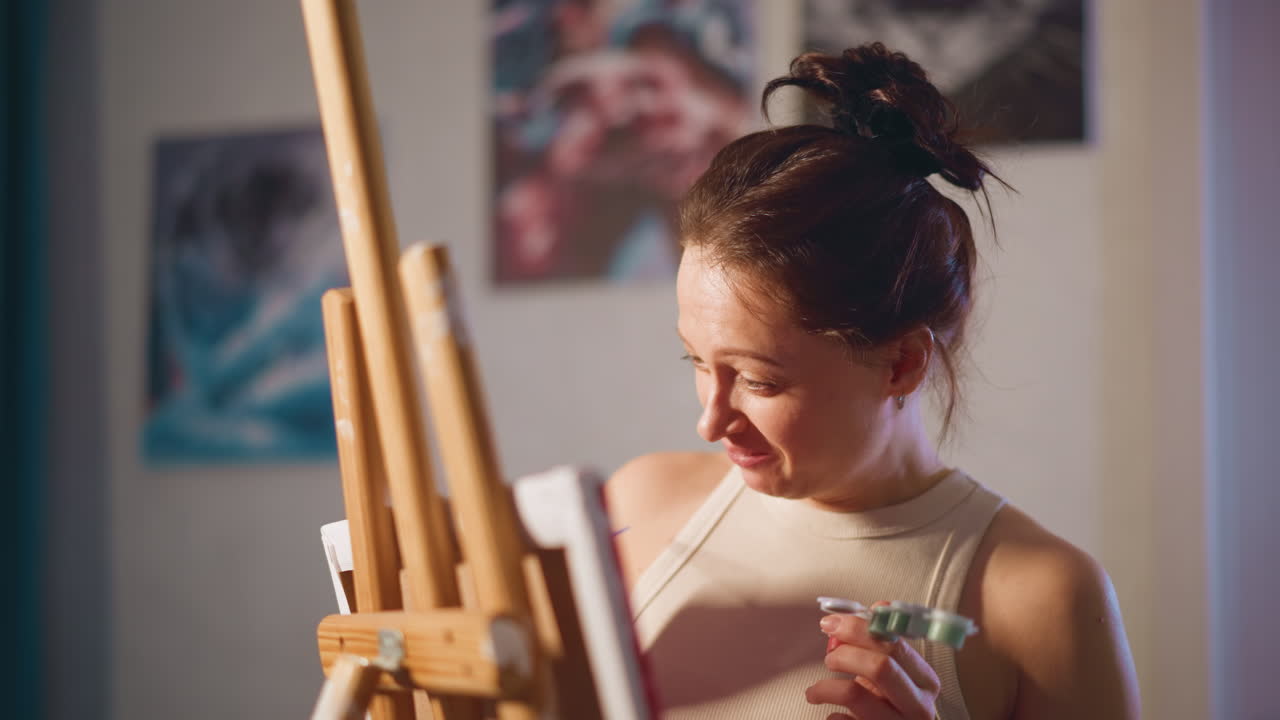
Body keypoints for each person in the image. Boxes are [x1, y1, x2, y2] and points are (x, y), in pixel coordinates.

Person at [606, 43, 1140, 720]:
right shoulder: (637, 503)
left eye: (761, 383)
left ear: (901, 364)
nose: (710, 423)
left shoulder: (1041, 599)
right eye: (697, 363)